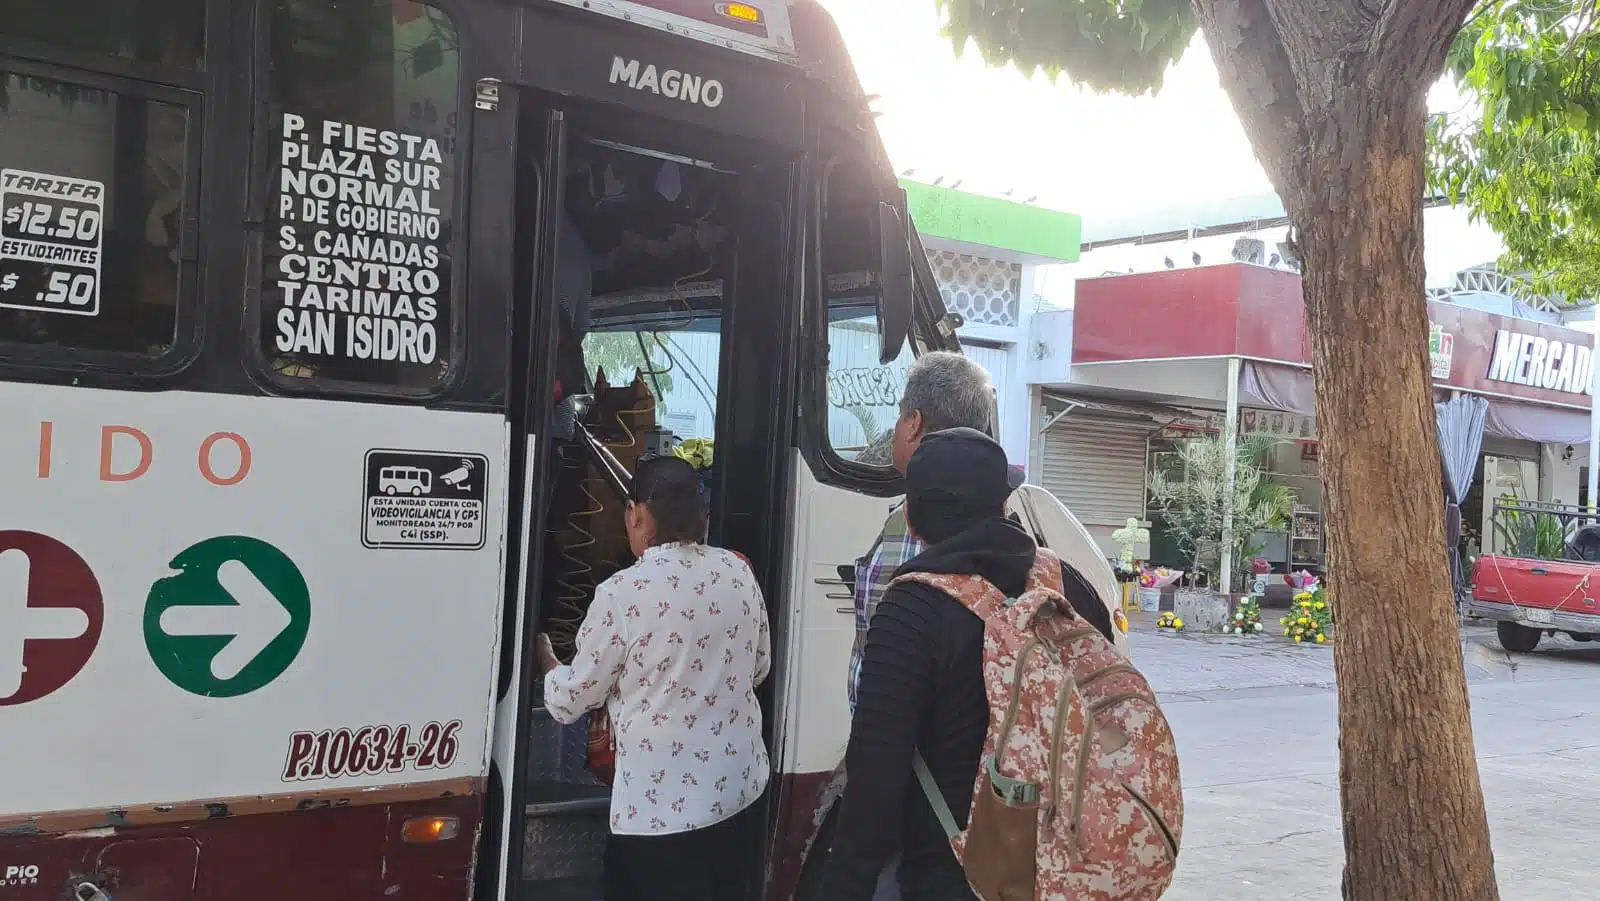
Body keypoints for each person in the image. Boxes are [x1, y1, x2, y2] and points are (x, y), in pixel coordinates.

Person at [824, 427, 1075, 901]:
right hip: (1054, 863)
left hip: (952, 873)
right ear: (1003, 508)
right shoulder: (1063, 585)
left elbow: (875, 778)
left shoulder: (911, 610)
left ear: (913, 522)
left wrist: (843, 885)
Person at [538, 454, 770, 901]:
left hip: (657, 812)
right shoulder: (738, 571)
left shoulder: (621, 594)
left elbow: (570, 701)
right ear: (702, 517)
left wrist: (547, 660)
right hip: (737, 793)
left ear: (637, 513)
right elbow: (758, 666)